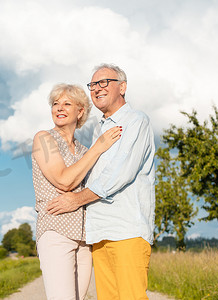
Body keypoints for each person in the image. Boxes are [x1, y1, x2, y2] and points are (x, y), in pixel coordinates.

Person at [47, 64, 156, 300]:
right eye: (93, 84)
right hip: (99, 233)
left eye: (104, 82)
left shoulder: (136, 121)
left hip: (127, 230)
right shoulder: (97, 130)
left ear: (122, 87)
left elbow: (120, 173)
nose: (97, 88)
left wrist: (75, 200)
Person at [32, 83, 122, 300]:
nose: (59, 108)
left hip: (84, 239)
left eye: (67, 104)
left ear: (80, 111)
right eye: (55, 104)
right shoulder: (44, 139)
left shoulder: (83, 150)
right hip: (55, 230)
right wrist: (99, 147)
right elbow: (64, 181)